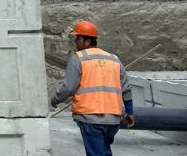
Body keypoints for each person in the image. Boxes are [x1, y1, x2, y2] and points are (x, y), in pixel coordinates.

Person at [51, 20, 135, 156]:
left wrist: (55, 100)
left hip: (90, 117)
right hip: (113, 120)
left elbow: (68, 87)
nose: (76, 41)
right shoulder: (114, 59)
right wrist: (129, 112)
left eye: (78, 38)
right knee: (104, 151)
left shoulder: (78, 58)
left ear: (87, 41)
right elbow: (126, 88)